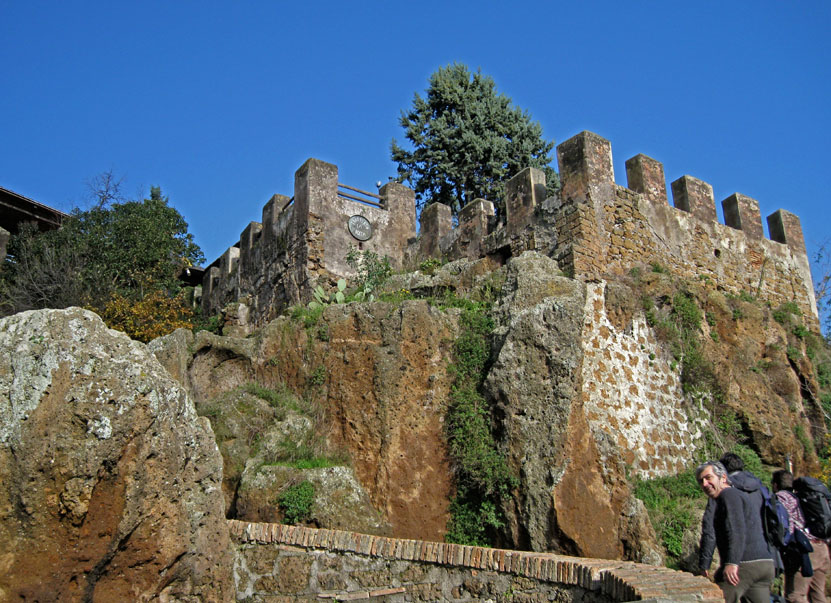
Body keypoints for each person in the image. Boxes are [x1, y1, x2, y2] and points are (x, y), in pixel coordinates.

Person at [696, 460, 775, 603]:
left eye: (708, 478)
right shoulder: (736, 495)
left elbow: (736, 529)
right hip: (765, 563)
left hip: (746, 564)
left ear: (723, 478)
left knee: (716, 599)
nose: (705, 484)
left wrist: (732, 562)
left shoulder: (728, 495)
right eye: (701, 481)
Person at [772, 469, 830, 603]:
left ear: (775, 485)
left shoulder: (782, 497)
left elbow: (785, 527)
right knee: (817, 595)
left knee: (796, 596)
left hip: (805, 552)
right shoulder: (803, 497)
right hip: (822, 548)